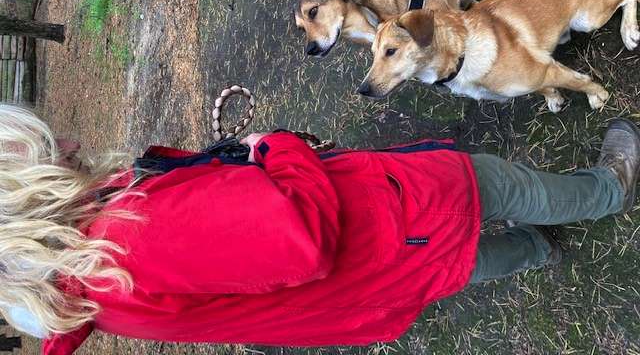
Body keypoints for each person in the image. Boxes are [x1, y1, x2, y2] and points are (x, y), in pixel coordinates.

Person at [0, 104, 638, 355]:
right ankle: (610, 189)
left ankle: (533, 249)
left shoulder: (82, 283)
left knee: (457, 266)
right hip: (388, 225)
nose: (72, 142)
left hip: (376, 279)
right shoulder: (130, 237)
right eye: (51, 150)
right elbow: (303, 233)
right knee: (495, 184)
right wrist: (274, 145)